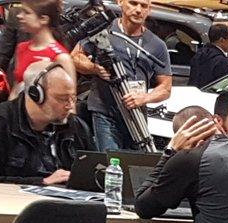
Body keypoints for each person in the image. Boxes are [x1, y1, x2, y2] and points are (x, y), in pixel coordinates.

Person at [0, 64, 94, 185]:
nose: (70, 106)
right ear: (36, 95)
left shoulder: (77, 127)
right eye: (62, 99)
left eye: (73, 98)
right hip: (13, 201)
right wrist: (42, 182)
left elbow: (94, 173)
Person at [72, 0, 172, 153]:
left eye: (144, 6)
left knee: (137, 161)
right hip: (105, 111)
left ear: (149, 9)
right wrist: (94, 69)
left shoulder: (157, 45)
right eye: (133, 3)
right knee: (112, 159)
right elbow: (75, 57)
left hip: (136, 112)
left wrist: (145, 98)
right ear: (120, 2)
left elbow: (166, 87)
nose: (138, 10)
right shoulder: (103, 31)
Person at [8, 0, 72, 92]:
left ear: (43, 19)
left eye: (27, 12)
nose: (19, 16)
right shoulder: (21, 48)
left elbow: (69, 97)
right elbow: (15, 90)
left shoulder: (61, 57)